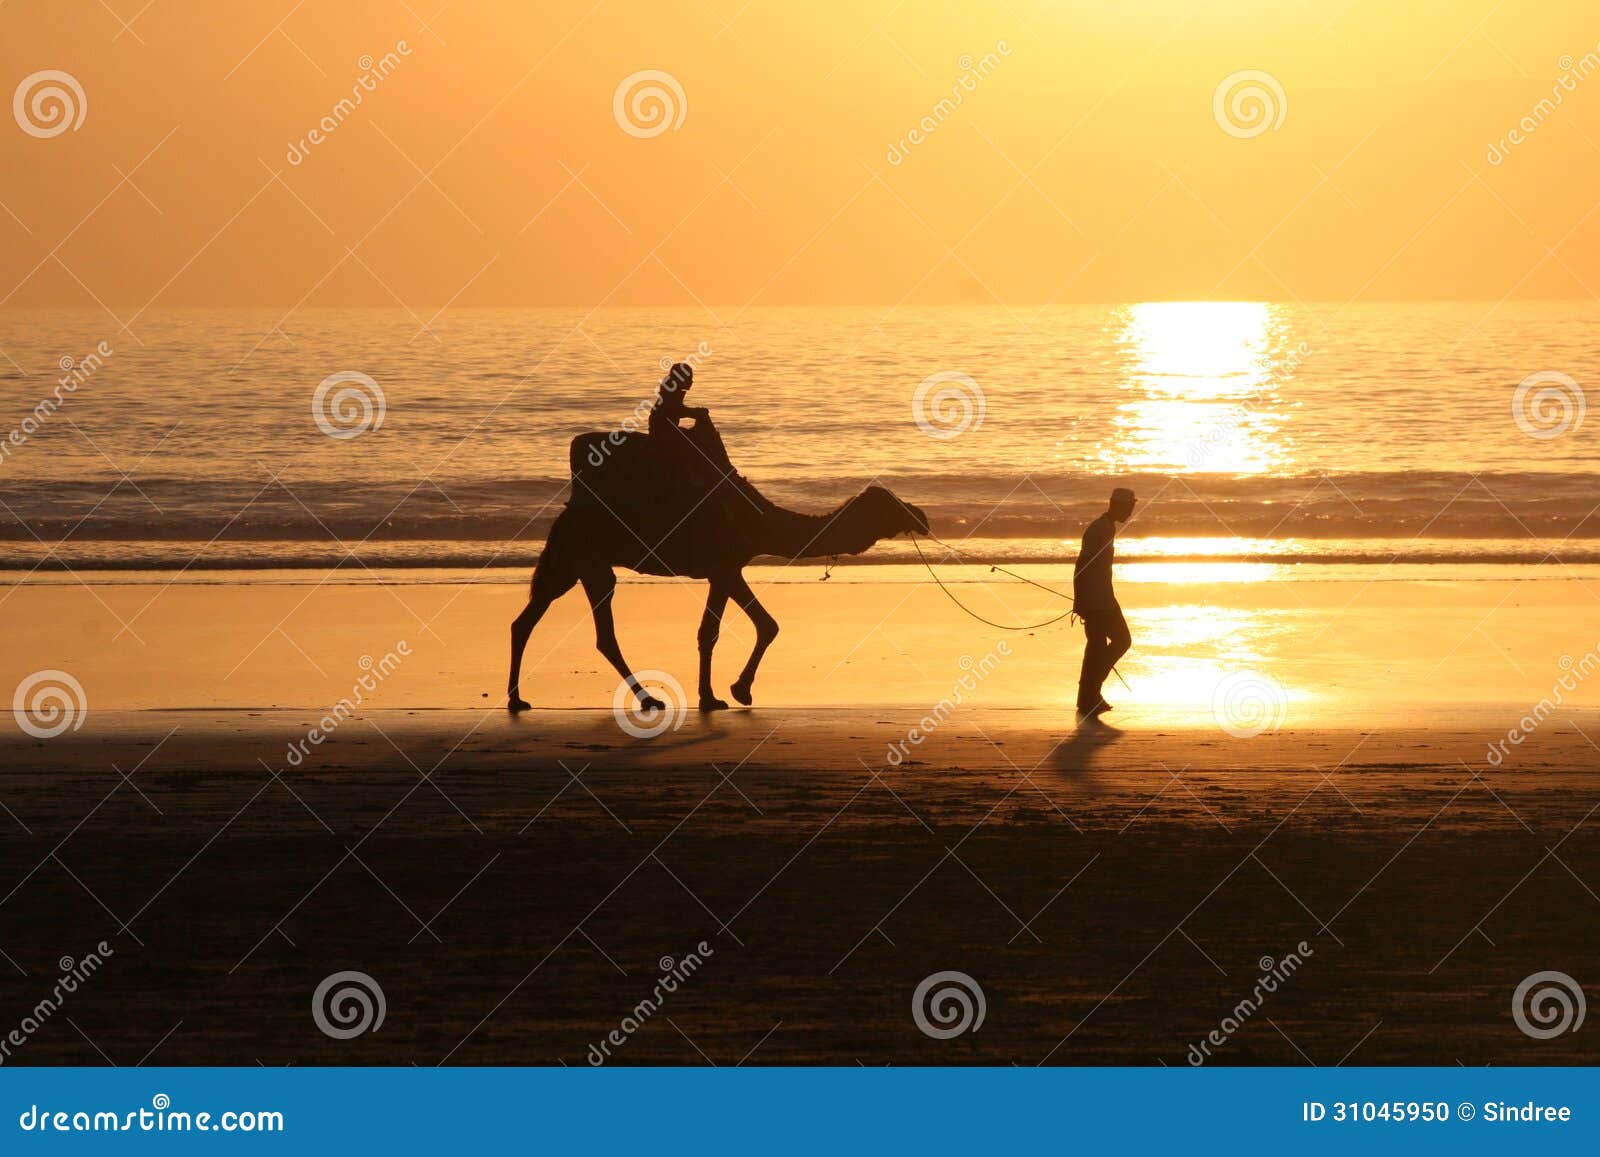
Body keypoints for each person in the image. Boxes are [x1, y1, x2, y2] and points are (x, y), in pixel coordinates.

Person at [1074, 487, 1136, 720]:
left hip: (1103, 597)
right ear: (1117, 505)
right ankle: (1090, 693)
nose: (1130, 512)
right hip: (1098, 600)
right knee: (1121, 640)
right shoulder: (1100, 529)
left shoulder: (1106, 527)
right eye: (1129, 507)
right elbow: (1082, 565)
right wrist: (1080, 600)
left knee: (1097, 648)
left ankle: (1088, 696)